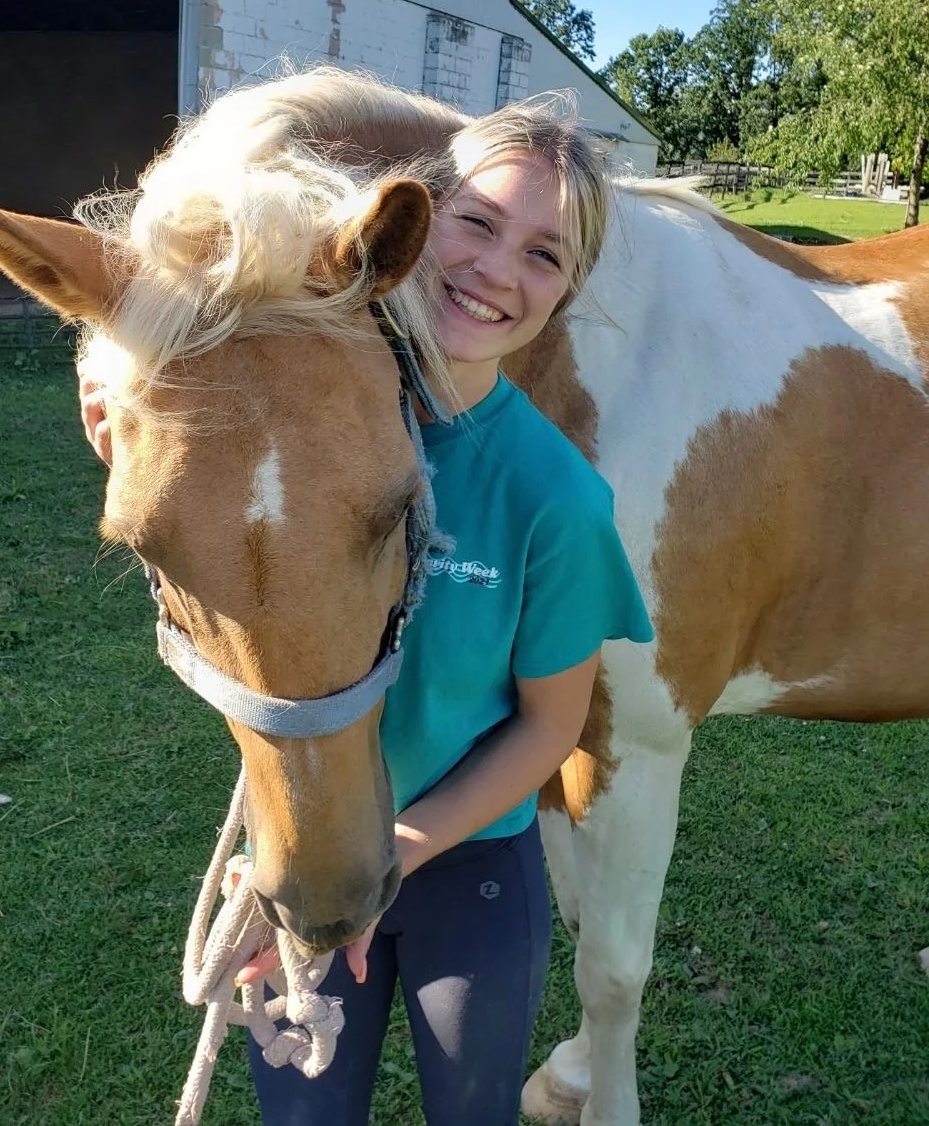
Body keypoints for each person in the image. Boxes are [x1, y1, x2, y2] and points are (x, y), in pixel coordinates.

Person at [79, 95, 653, 1126]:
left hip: (467, 863)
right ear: (411, 228)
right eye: (474, 223)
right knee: (301, 1116)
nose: (495, 271)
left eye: (544, 255)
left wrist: (398, 848)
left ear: (566, 292)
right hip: (301, 843)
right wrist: (113, 403)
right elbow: (190, 454)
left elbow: (551, 728)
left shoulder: (557, 499)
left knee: (472, 1109)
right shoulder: (303, 418)